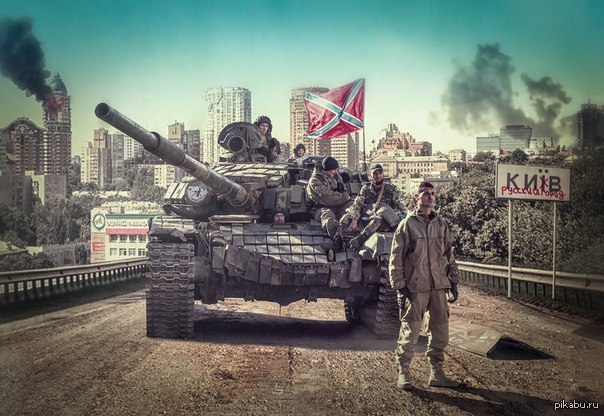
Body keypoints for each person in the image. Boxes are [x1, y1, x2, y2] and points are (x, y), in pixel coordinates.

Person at [388, 181, 459, 390]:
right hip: (415, 287)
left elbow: (449, 254)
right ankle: (403, 373)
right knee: (410, 331)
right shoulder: (407, 224)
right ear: (416, 197)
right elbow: (396, 258)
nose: (430, 196)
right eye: (425, 193)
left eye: (433, 193)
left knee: (441, 332)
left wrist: (453, 281)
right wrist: (400, 286)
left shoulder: (441, 224)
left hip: (438, 285)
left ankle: (437, 373)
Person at [340, 163, 407, 249]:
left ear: (383, 174)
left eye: (380, 173)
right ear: (370, 175)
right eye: (375, 173)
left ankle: (359, 240)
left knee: (377, 219)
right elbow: (358, 203)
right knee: (346, 217)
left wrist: (406, 219)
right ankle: (338, 240)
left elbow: (401, 205)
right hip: (367, 217)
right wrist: (354, 220)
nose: (378, 176)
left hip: (384, 221)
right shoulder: (366, 189)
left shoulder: (390, 189)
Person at [306, 156, 351, 239]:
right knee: (328, 216)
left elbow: (344, 190)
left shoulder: (336, 176)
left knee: (352, 208)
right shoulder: (315, 180)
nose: (335, 172)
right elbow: (327, 196)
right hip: (321, 208)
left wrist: (346, 198)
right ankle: (336, 236)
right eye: (333, 170)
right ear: (325, 170)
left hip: (338, 205)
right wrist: (344, 198)